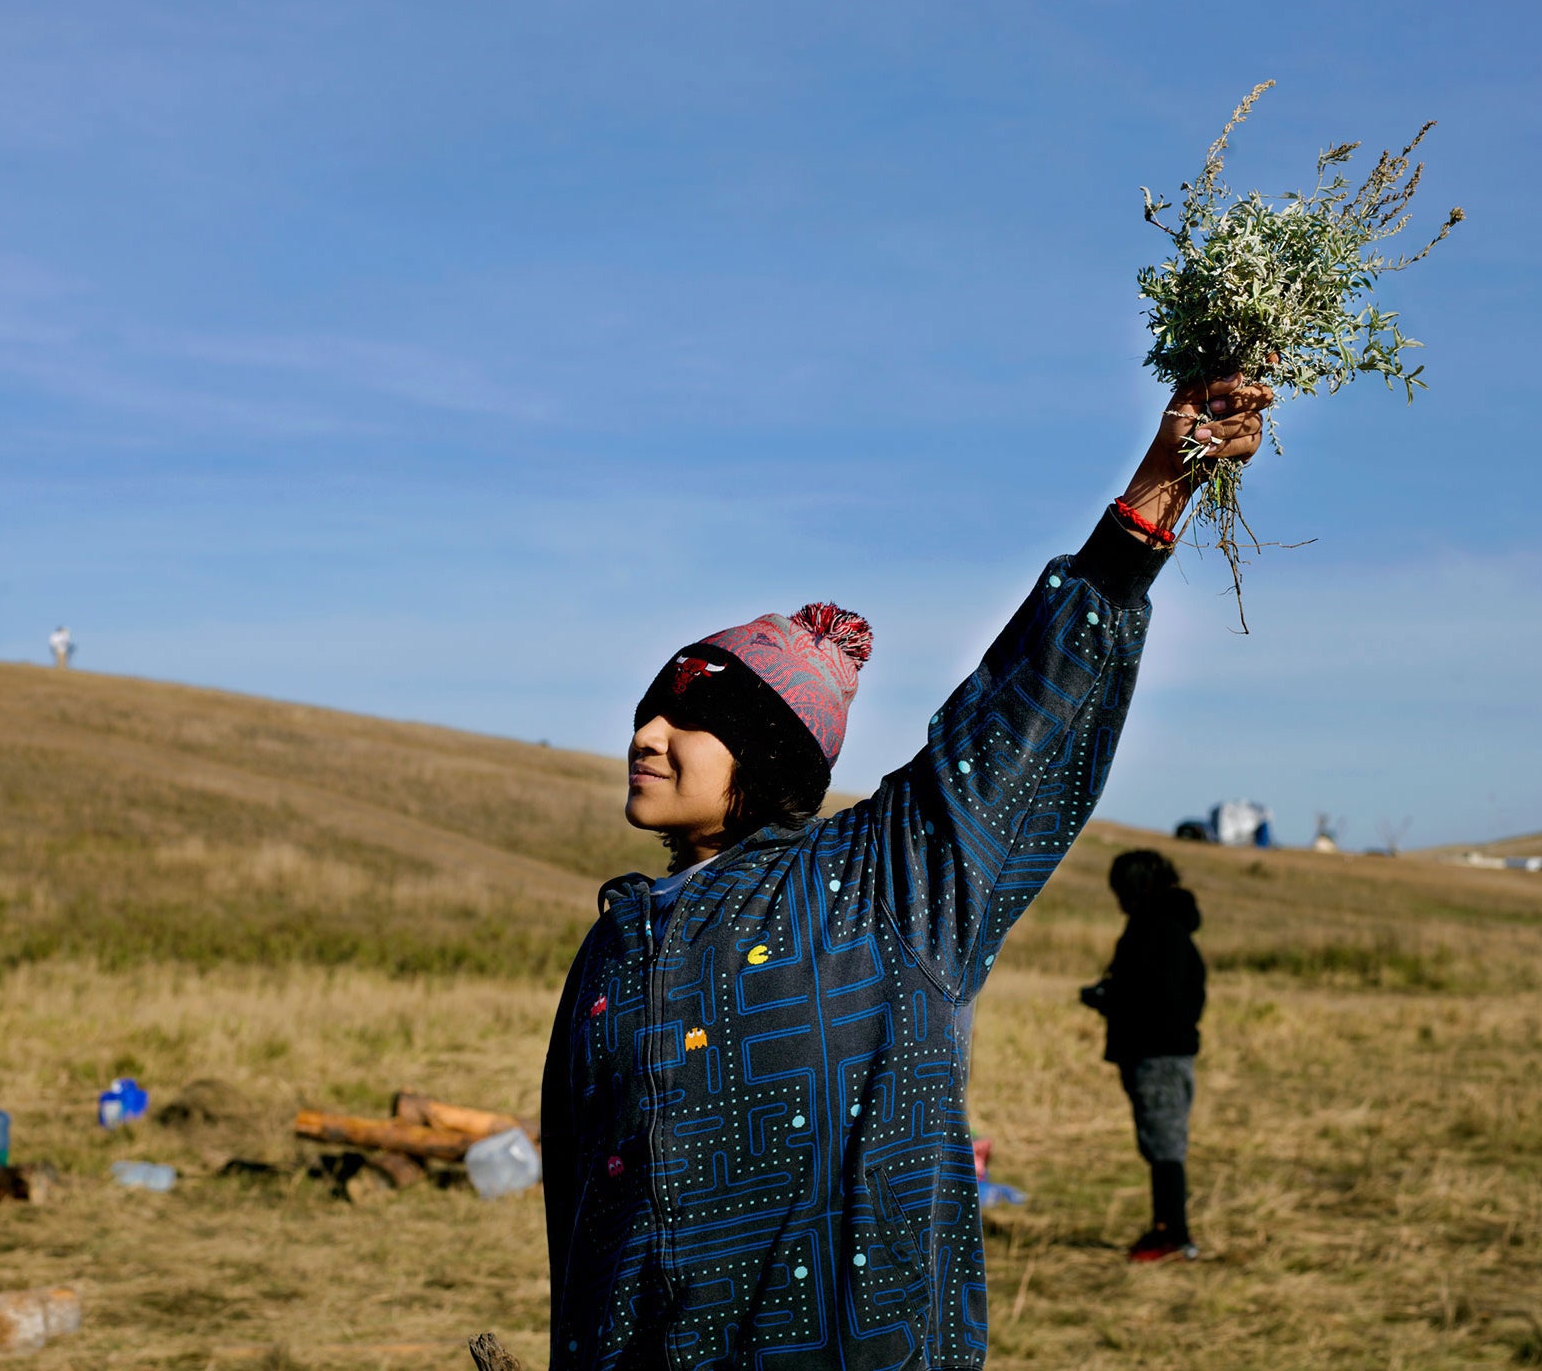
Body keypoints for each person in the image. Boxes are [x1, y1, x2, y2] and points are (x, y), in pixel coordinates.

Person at [542, 372, 1270, 1370]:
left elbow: (1024, 712)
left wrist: (1162, 480)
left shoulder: (882, 885)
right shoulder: (614, 944)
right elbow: (581, 1222)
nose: (649, 735)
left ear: (769, 761)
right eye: (647, 712)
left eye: (695, 721)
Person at [1078, 849, 1207, 1264]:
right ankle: (1169, 1231)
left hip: (1158, 1052)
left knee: (1165, 1144)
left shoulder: (1158, 929)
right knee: (1161, 1143)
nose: (1117, 898)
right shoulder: (1165, 926)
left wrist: (1111, 998)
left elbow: (1157, 994)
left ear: (1137, 886)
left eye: (1120, 888)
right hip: (1159, 1049)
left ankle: (1172, 1235)